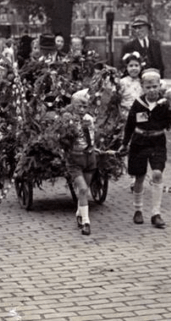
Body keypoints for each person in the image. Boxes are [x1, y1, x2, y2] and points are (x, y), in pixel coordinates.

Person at [121, 68, 171, 229]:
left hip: (157, 142)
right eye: (148, 87)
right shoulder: (138, 104)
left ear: (159, 86)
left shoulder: (164, 104)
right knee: (139, 177)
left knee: (157, 174)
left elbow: (169, 124)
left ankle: (156, 213)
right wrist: (125, 143)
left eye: (155, 87)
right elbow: (130, 124)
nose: (152, 90)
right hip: (139, 142)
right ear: (143, 87)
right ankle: (138, 210)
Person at [65, 89, 97, 236]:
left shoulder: (89, 119)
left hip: (89, 158)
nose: (82, 110)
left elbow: (92, 136)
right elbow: (63, 138)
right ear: (73, 106)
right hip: (75, 159)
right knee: (83, 189)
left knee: (85, 189)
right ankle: (86, 222)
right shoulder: (67, 120)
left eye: (85, 107)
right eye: (79, 106)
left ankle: (79, 212)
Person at [119, 51, 144, 119]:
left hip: (141, 114)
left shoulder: (143, 82)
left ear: (140, 67)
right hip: (126, 114)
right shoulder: (122, 82)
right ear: (126, 68)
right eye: (131, 66)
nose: (134, 68)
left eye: (136, 65)